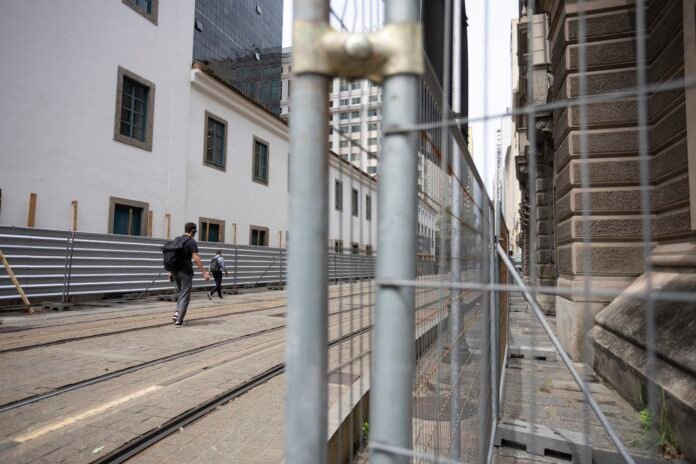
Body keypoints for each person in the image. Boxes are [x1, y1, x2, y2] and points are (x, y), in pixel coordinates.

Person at [171, 222, 209, 327]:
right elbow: (196, 258)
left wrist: (170, 272)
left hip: (175, 271)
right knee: (185, 295)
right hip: (185, 272)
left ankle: (177, 313)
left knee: (181, 293)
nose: (195, 234)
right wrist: (204, 273)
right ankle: (179, 321)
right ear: (193, 231)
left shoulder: (177, 240)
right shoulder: (191, 242)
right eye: (195, 231)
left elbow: (173, 257)